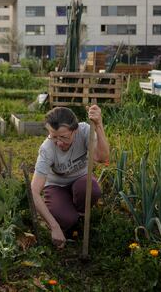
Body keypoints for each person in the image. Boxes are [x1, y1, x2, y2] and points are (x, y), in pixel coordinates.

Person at [31, 105, 109, 249]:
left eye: (64, 137)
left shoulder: (85, 130)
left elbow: (102, 157)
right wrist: (54, 227)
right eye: (54, 136)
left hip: (81, 180)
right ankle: (70, 219)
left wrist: (98, 125)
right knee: (66, 219)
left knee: (90, 189)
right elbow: (34, 191)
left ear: (75, 130)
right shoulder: (47, 149)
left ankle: (80, 215)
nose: (59, 143)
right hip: (56, 186)